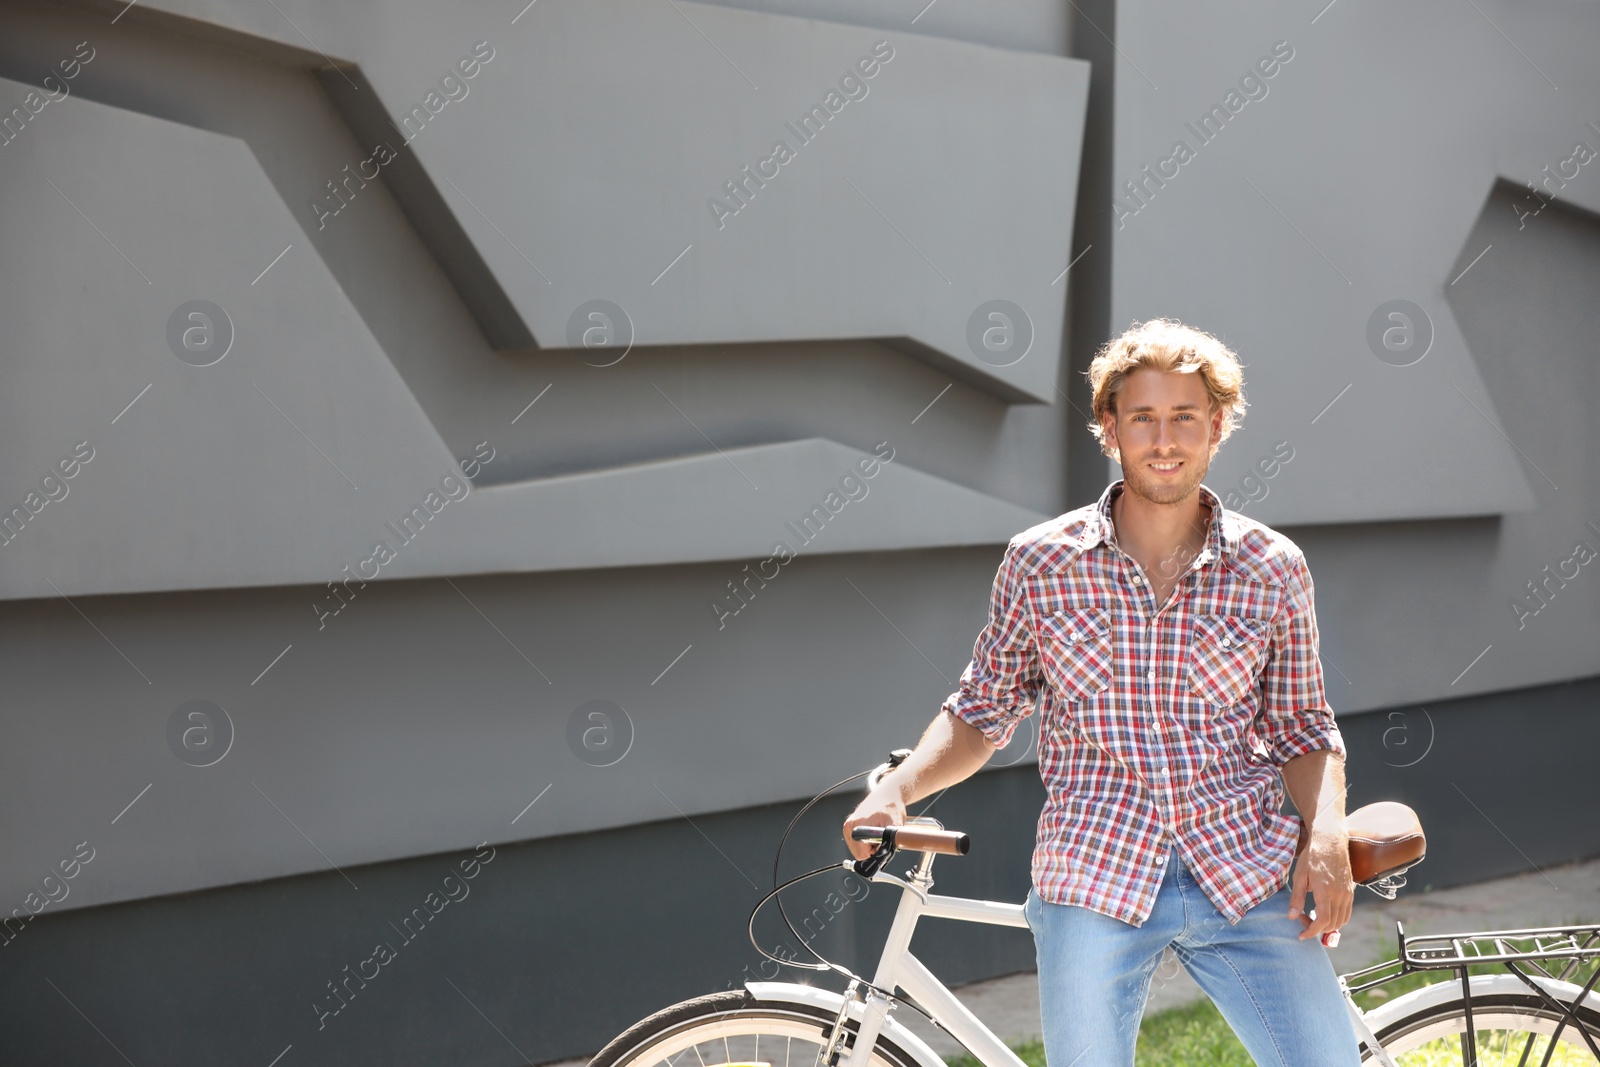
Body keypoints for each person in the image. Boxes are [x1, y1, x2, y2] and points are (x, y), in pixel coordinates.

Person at [842, 318, 1361, 1066]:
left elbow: (1304, 730)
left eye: (1185, 417)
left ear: (1217, 426)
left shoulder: (1272, 568)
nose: (1165, 439)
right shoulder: (1040, 564)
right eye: (1143, 418)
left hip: (1244, 867)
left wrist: (1325, 835)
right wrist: (898, 789)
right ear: (1109, 428)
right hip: (1095, 870)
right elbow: (982, 712)